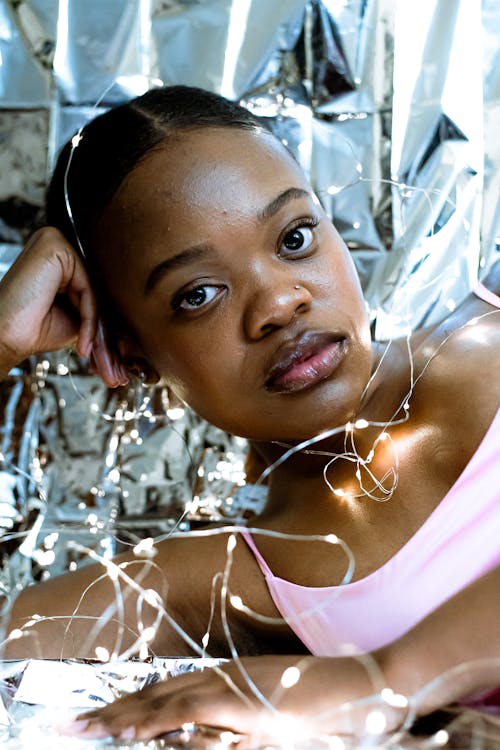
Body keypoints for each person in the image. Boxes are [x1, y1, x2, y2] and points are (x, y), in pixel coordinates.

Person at [0, 85, 499, 744]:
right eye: (198, 294)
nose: (278, 303)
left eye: (294, 238)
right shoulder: (235, 576)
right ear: (132, 355)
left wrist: (382, 680)